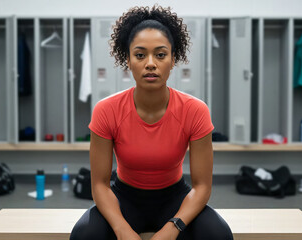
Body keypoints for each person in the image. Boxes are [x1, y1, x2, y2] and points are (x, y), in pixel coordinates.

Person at [70, 5, 233, 240]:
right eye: (139, 55)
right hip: (124, 199)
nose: (150, 63)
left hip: (175, 200)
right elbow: (100, 185)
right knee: (85, 234)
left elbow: (202, 186)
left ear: (173, 58)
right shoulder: (106, 110)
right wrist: (122, 229)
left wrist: (173, 227)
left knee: (217, 235)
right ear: (127, 59)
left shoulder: (195, 110)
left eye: (160, 54)